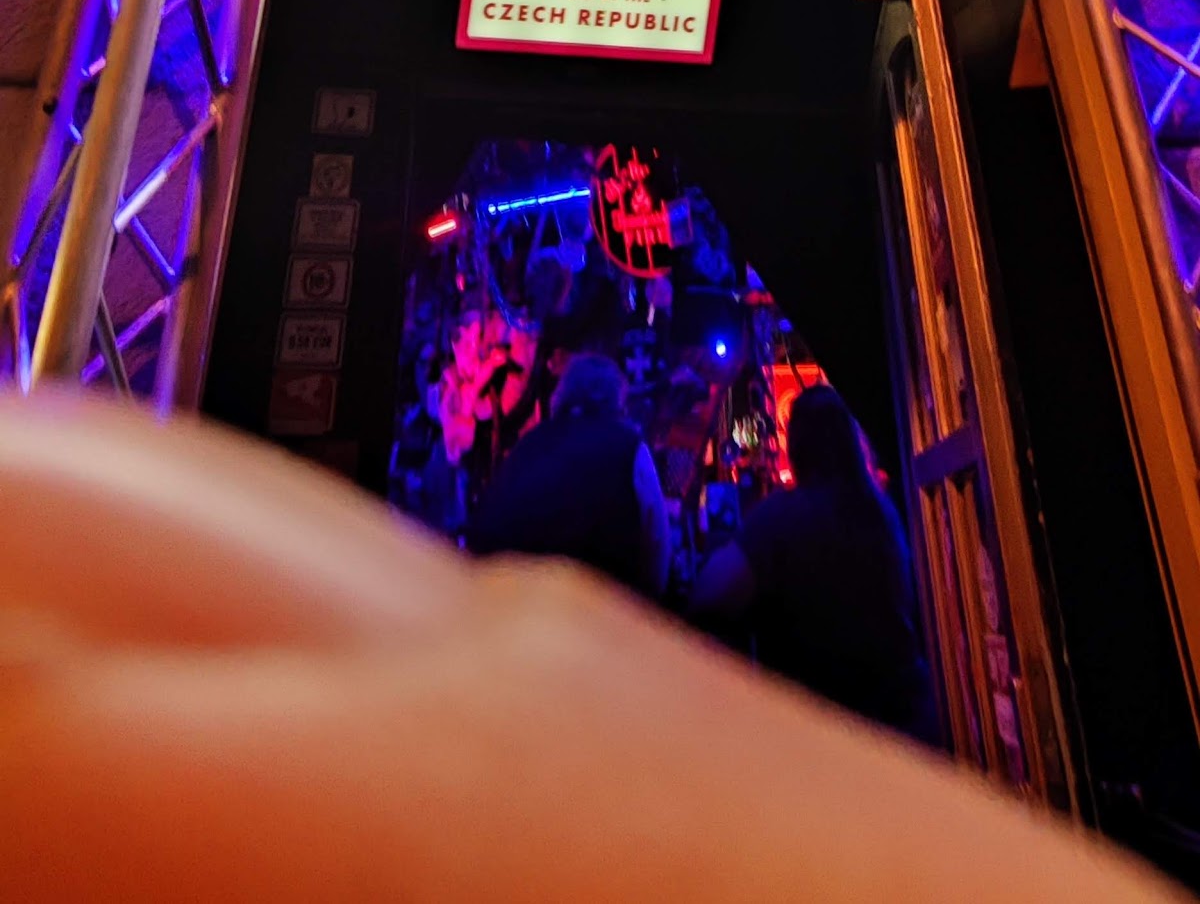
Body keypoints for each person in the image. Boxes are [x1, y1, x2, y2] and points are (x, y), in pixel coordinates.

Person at [0, 388, 1178, 904]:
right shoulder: (893, 517)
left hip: (817, 732)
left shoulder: (768, 521)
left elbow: (708, 598)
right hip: (913, 731)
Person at [690, 383, 938, 742]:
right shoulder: (882, 513)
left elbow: (708, 593)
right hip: (907, 718)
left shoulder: (784, 515)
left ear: (796, 448)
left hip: (827, 724)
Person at [466, 349, 671, 599]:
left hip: (501, 594)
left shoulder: (530, 442)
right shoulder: (629, 446)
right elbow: (658, 544)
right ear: (618, 399)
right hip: (590, 601)